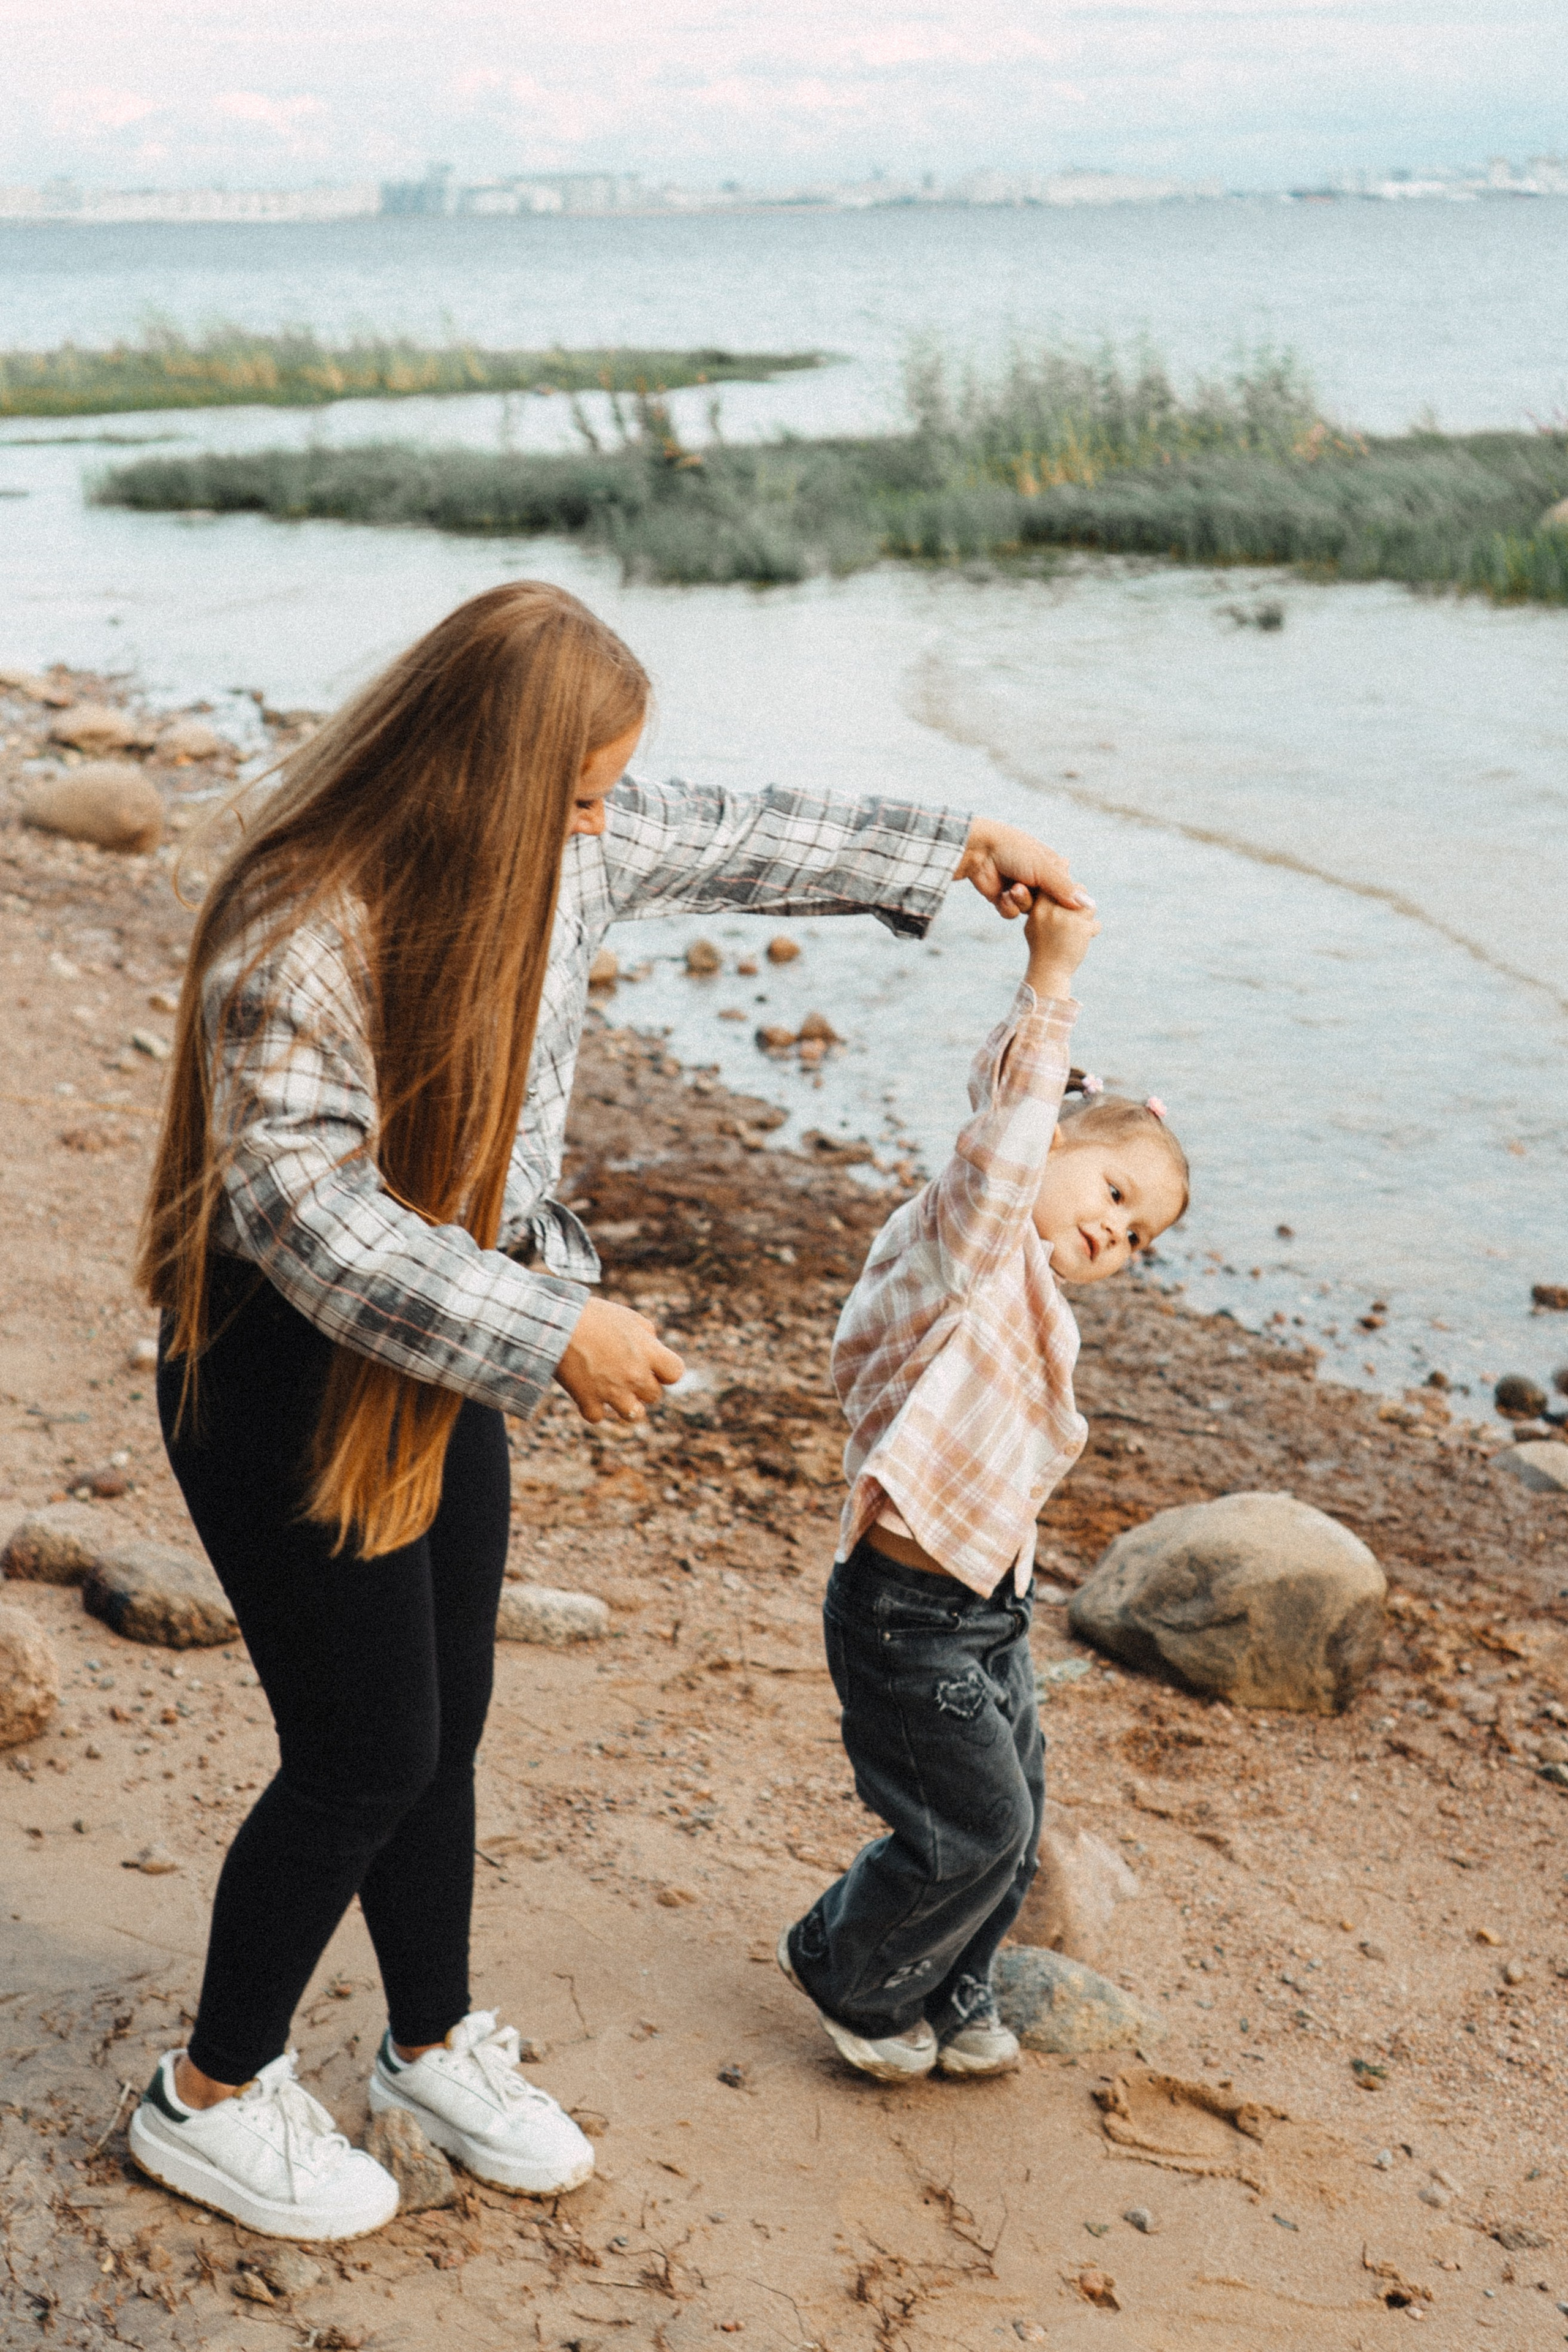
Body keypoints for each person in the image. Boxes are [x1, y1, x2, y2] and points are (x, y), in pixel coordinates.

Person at [124, 579, 1093, 2240]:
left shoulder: (551, 852)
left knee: (450, 1726)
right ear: (483, 773)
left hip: (430, 1367)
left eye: (604, 798)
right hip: (281, 1373)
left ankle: (429, 2044)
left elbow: (733, 829)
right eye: (579, 793)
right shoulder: (303, 927)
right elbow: (304, 1212)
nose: (603, 826)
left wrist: (955, 841)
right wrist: (555, 1324)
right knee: (364, 1751)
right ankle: (208, 2095)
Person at [777, 891, 1189, 2083]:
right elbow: (1009, 1119)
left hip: (980, 1613)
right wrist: (1050, 974)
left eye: (1142, 1235)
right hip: (903, 1624)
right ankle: (845, 1967)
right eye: (1114, 1193)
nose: (1119, 1234)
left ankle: (950, 1989)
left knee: (1014, 1825)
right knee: (973, 1826)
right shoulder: (966, 1247)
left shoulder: (1029, 1302)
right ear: (1052, 1147)